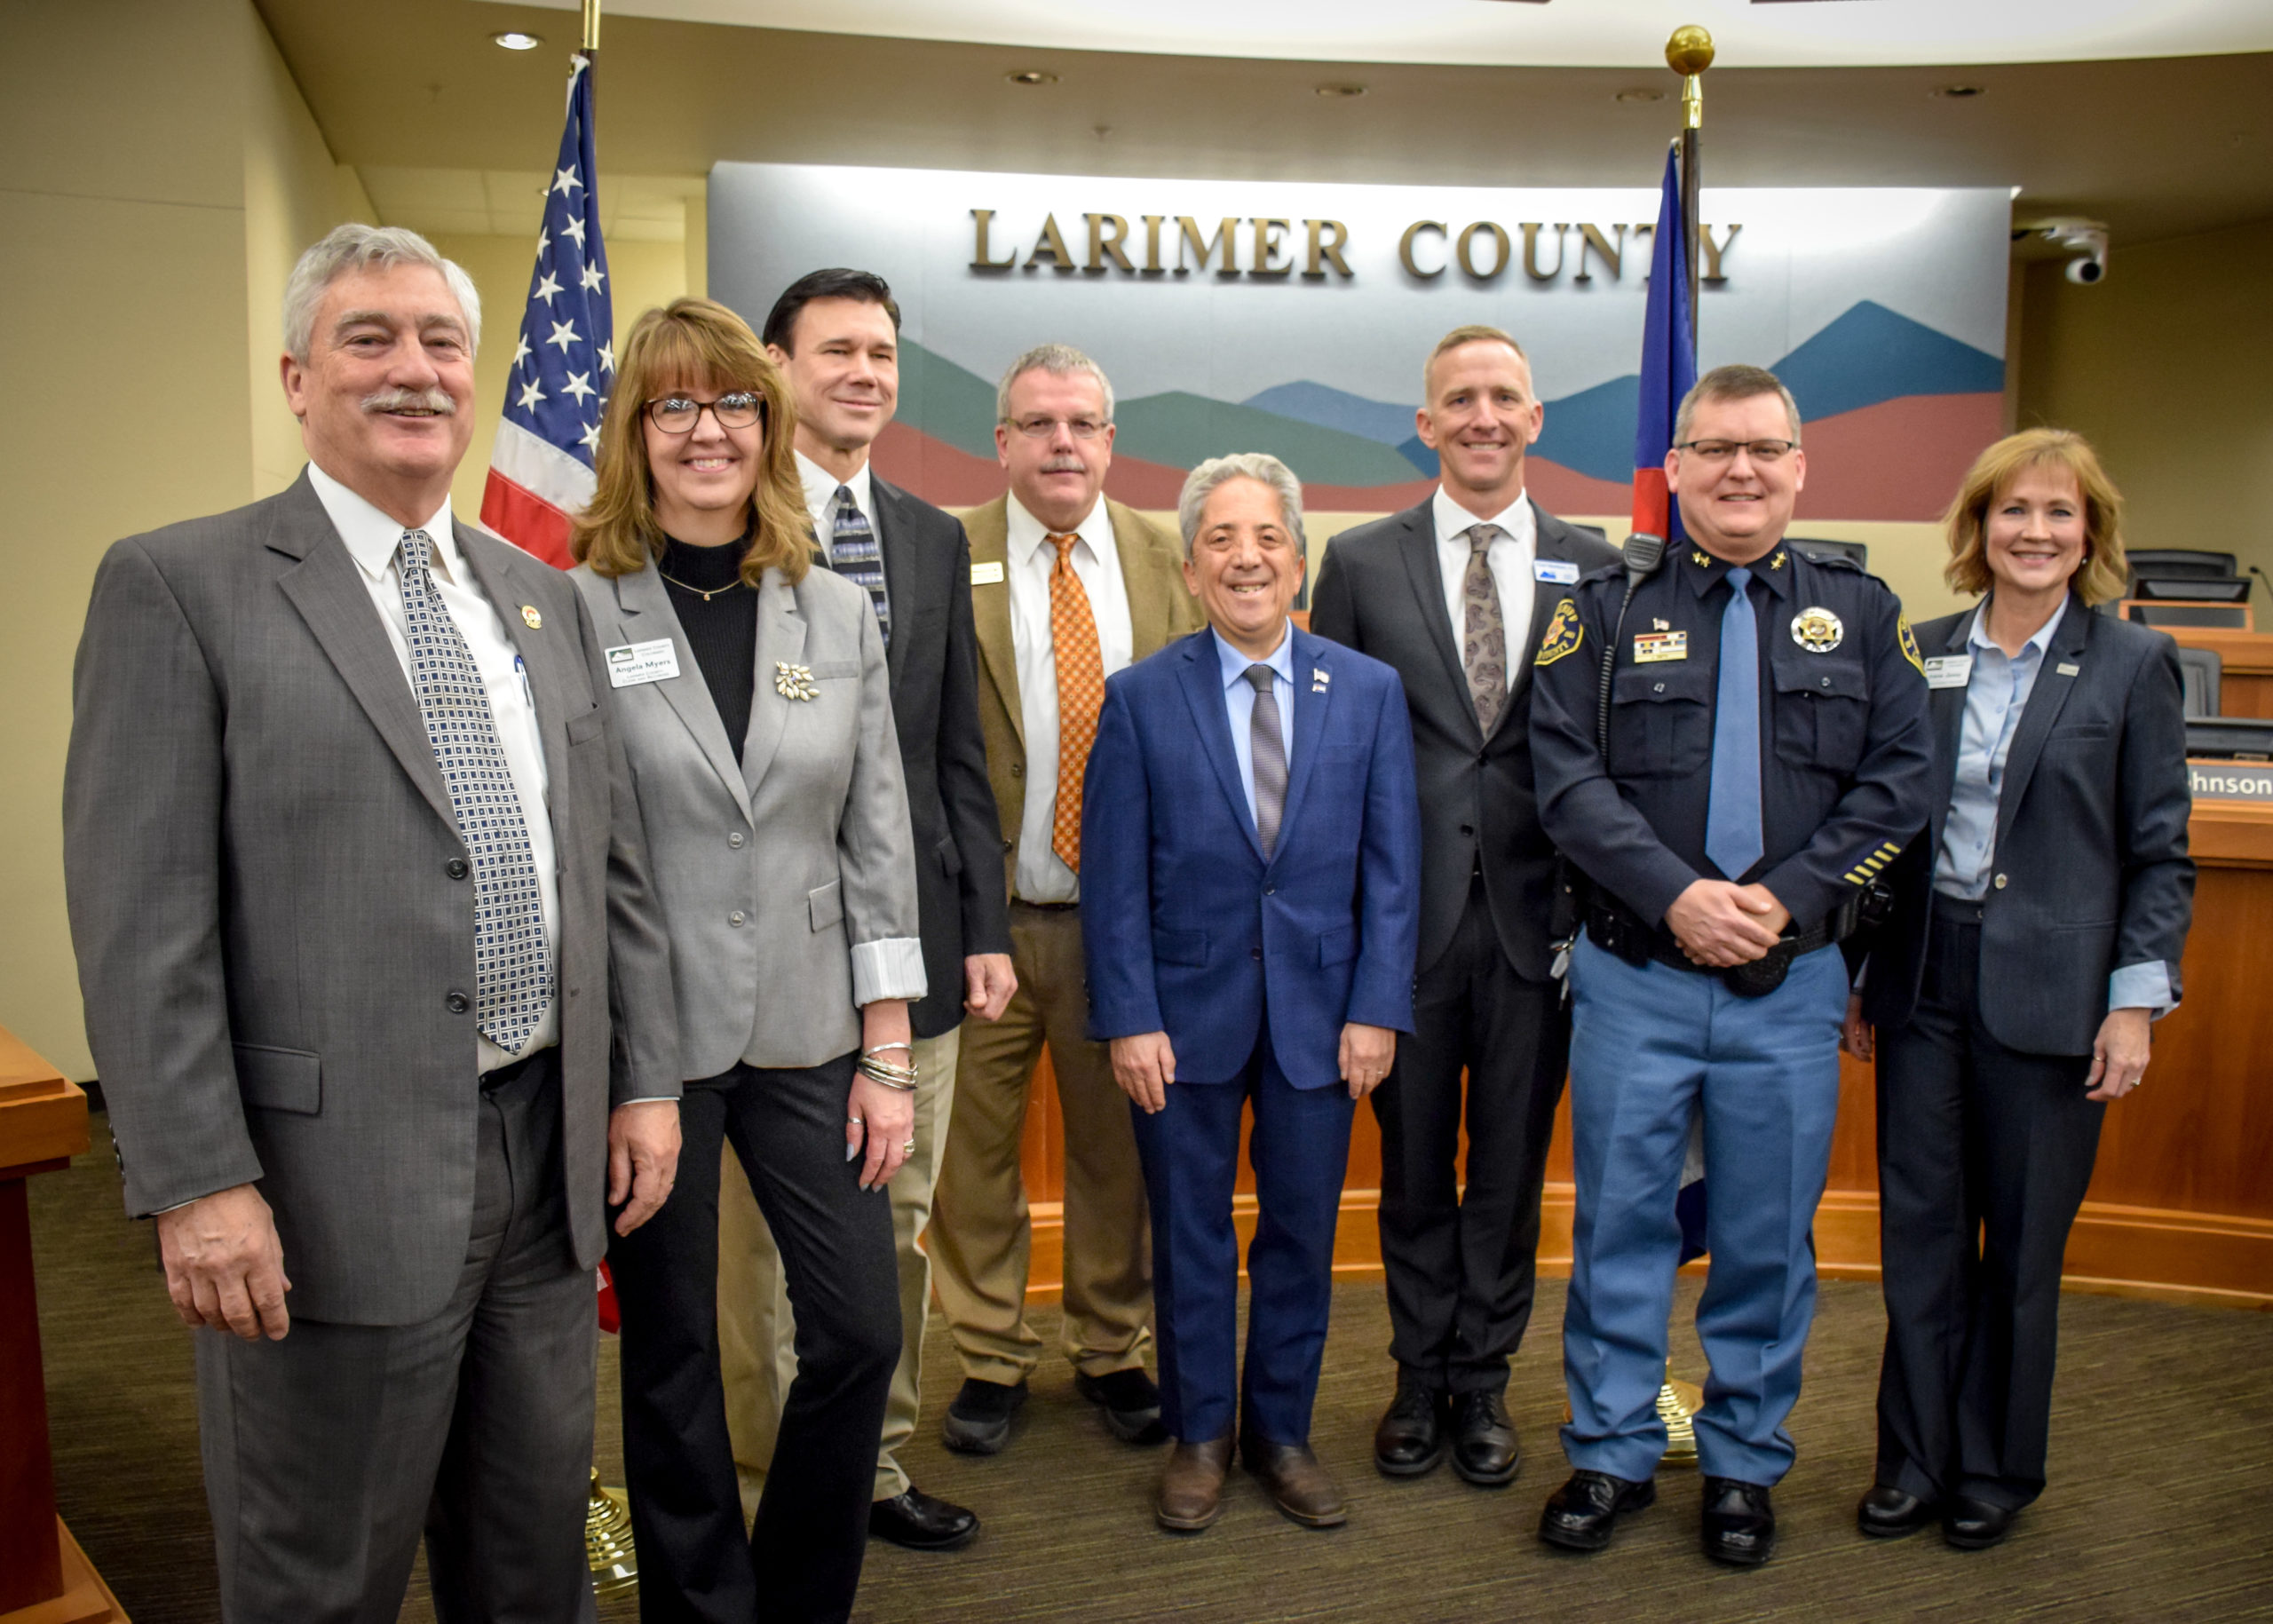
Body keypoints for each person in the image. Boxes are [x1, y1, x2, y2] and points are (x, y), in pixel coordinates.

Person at [62, 223, 681, 1620]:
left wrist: (640, 1082)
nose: (415, 370)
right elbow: (139, 919)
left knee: (536, 1557)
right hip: (321, 1187)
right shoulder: (181, 585)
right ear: (297, 377)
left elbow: (609, 869)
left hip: (548, 1164)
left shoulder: (545, 599)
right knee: (319, 1575)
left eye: (441, 342)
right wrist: (196, 1182)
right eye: (370, 338)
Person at [1529, 364, 1934, 1567]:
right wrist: (1680, 897)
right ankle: (1608, 1451)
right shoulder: (1602, 605)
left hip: (1790, 986)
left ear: (1801, 466)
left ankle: (1743, 1461)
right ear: (1677, 468)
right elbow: (1565, 778)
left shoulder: (1860, 612)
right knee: (1620, 1228)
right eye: (1715, 449)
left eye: (1765, 449)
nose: (1742, 471)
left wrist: (1783, 900)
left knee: (1765, 1236)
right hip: (1635, 977)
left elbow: (1898, 780)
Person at [568, 297, 923, 1623]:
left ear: (768, 424)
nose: (706, 430)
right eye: (674, 405)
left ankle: (798, 1595)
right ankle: (699, 1605)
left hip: (813, 1027)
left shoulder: (831, 610)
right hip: (648, 1044)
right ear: (636, 431)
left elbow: (877, 832)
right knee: (670, 1357)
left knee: (857, 1333)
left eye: (730, 403)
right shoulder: (577, 610)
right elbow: (581, 854)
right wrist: (623, 1064)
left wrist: (887, 1052)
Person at [711, 267, 1015, 1556]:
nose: (865, 374)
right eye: (836, 349)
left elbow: (956, 755)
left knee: (894, 1226)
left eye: (883, 353)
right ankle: (754, 1472)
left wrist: (987, 927)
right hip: (761, 954)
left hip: (920, 947)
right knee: (758, 1250)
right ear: (776, 367)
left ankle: (870, 1468)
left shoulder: (933, 536)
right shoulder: (720, 519)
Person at [1848, 428, 2192, 1551]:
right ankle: (1912, 1459)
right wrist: (1861, 969)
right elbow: (1888, 828)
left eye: (2057, 512)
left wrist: (2134, 999)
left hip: (2055, 994)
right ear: (1976, 528)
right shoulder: (1924, 648)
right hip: (1923, 979)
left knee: (2021, 1247)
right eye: (2012, 511)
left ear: (2088, 531)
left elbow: (2158, 849)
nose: (2034, 532)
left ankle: (1994, 1466)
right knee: (1922, 1235)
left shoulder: (2134, 662)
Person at [1084, 453, 1422, 1533]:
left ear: (1299, 559)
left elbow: (1392, 868)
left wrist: (1377, 1007)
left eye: (1267, 536)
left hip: (1324, 1024)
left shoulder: (1365, 691)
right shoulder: (1140, 697)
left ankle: (1279, 1431)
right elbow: (1113, 878)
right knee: (1189, 1234)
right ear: (1191, 568)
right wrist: (1128, 1015)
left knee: (1298, 1233)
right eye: (1222, 539)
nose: (1246, 557)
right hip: (1178, 1025)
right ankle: (1200, 1435)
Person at [1310, 325, 1620, 1485]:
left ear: (1536, 419)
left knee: (1509, 1171)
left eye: (1504, 397)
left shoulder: (1600, 565)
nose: (1483, 415)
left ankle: (1485, 1383)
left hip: (1545, 928)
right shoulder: (1359, 560)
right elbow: (1330, 753)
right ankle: (1414, 1376)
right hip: (1405, 924)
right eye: (1458, 399)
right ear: (1426, 423)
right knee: (1412, 1171)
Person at [926, 345, 1202, 1454]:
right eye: (1036, 423)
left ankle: (1109, 1346)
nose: (1061, 443)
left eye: (1082, 423)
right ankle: (990, 1354)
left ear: (1109, 438)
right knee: (969, 1158)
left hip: (1122, 932)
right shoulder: (945, 551)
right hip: (984, 926)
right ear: (1001, 443)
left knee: (1117, 1154)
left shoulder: (1167, 555)